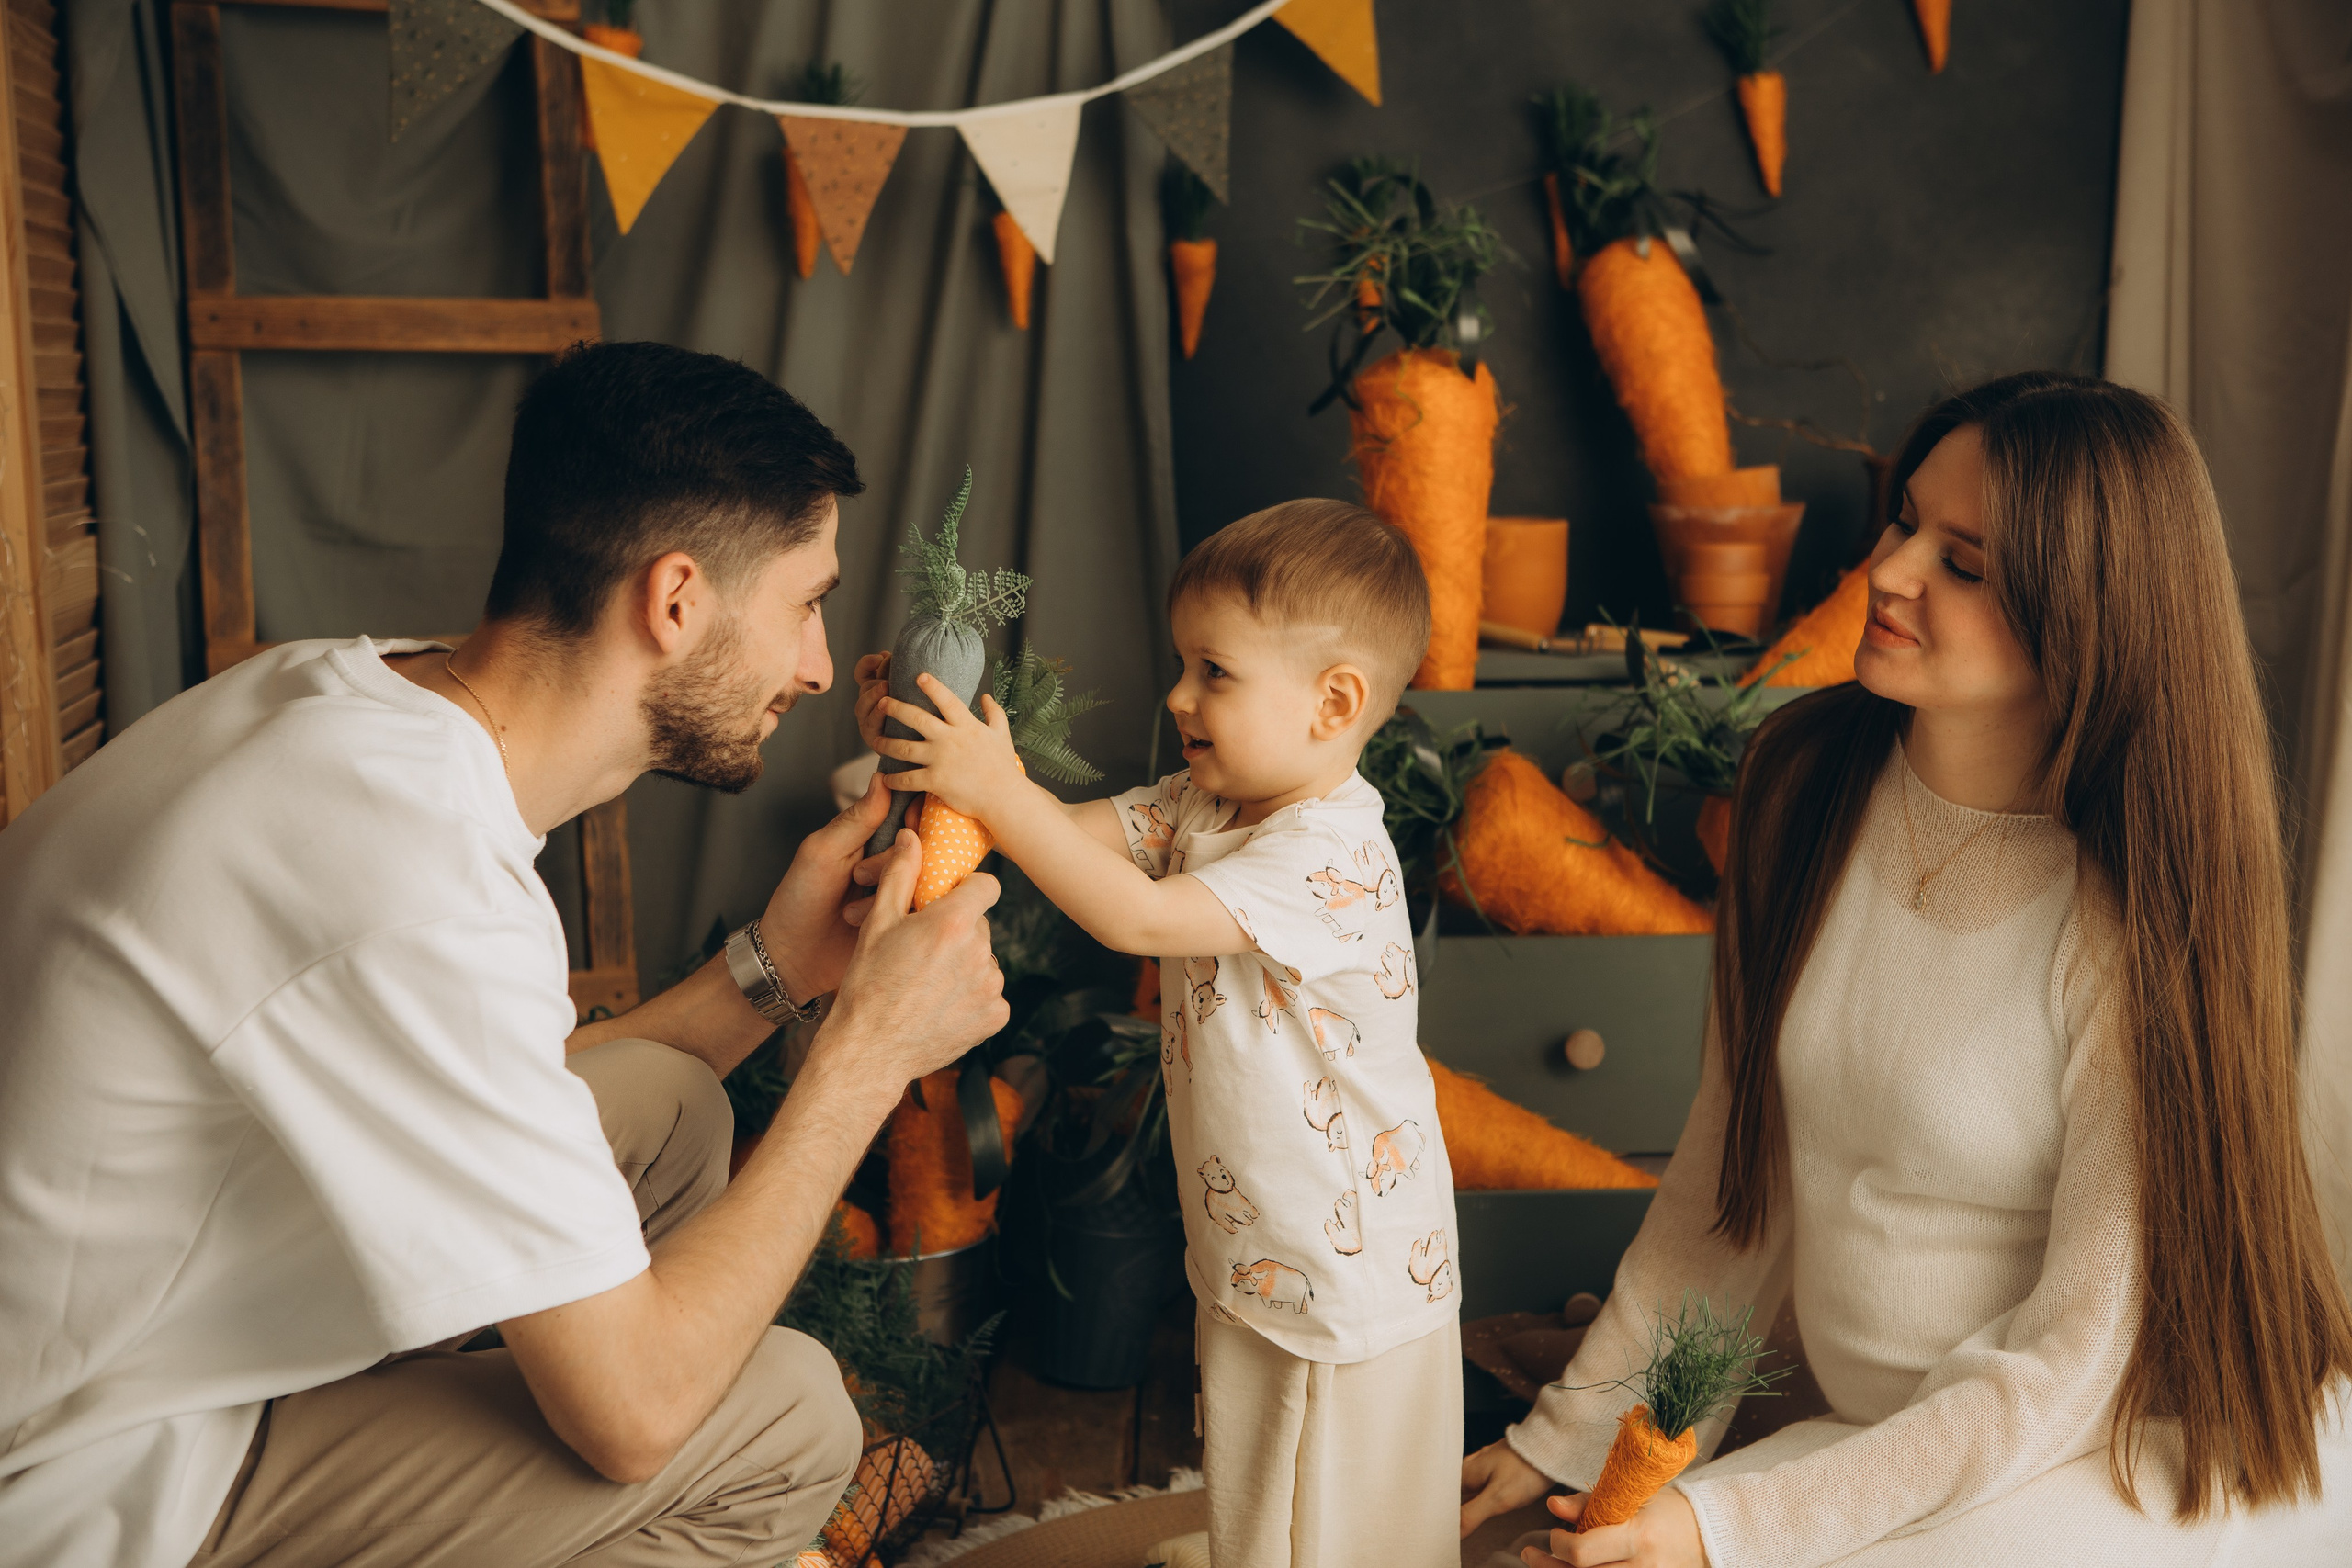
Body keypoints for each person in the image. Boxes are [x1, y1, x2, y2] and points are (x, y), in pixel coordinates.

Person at [0, 341, 1012, 1568]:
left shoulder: (341, 706)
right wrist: (867, 1056)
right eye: (806, 600)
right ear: (676, 597)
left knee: (672, 1108)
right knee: (786, 1420)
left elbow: (496, 1079)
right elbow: (635, 1417)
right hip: (84, 1463)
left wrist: (779, 966)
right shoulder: (414, 873)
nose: (815, 661)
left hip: (151, 1319)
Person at [1456, 373, 2352, 1566]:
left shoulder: (2137, 910)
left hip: (2135, 1449)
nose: (1888, 570)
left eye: (1965, 562)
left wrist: (1730, 1520)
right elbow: (1733, 1186)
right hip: (1890, 1433)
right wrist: (1572, 1438)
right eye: (1904, 520)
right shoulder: (1804, 790)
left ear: (2093, 613)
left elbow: (2069, 1364)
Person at [859, 500, 1463, 1565]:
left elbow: (1129, 913)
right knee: (1257, 1472)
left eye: (1213, 672)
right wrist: (940, 780)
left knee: (1340, 1514)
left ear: (1334, 704)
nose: (1177, 694)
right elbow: (1052, 840)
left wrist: (994, 788)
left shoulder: (1328, 857)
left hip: (1343, 1266)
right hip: (1257, 1249)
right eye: (1182, 663)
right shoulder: (1206, 804)